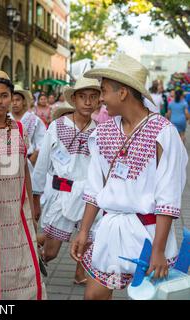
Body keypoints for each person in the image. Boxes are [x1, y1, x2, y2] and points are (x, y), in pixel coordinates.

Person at [71, 53, 187, 300]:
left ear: (122, 92)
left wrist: (158, 250)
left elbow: (168, 197)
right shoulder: (102, 133)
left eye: (103, 91)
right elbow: (94, 188)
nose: (100, 99)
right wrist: (83, 231)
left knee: (148, 296)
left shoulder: (164, 134)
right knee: (93, 297)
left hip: (148, 235)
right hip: (110, 230)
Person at [0, 70, 45, 300]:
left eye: (5, 95)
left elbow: (24, 169)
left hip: (19, 214)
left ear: (12, 97)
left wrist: (32, 207)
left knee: (26, 271)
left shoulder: (20, 129)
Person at [32, 77, 101, 285]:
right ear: (74, 99)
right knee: (51, 253)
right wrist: (35, 197)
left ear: (99, 100)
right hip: (61, 194)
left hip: (87, 195)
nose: (88, 102)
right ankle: (28, 265)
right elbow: (42, 163)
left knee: (89, 239)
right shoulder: (57, 126)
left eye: (93, 97)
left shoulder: (99, 131)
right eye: (83, 97)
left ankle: (80, 273)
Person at [10, 85, 46, 172]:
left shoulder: (34, 120)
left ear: (23, 102)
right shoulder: (5, 119)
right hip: (8, 161)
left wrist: (34, 156)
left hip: (30, 159)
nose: (14, 103)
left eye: (17, 100)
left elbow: (42, 140)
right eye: (12, 100)